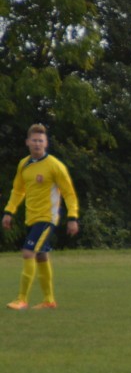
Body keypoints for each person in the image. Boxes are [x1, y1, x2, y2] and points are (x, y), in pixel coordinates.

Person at [4, 124, 79, 310]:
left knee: (28, 252)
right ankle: (49, 301)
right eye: (34, 140)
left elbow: (69, 193)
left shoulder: (54, 165)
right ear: (27, 142)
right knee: (41, 257)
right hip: (31, 217)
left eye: (41, 140)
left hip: (47, 218)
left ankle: (22, 299)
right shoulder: (24, 164)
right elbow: (18, 190)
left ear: (46, 143)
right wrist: (9, 211)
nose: (37, 143)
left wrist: (72, 217)